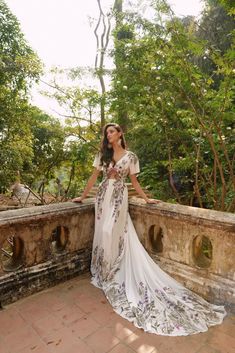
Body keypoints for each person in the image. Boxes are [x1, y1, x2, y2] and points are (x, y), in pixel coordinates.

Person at [72, 122, 226, 336]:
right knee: (103, 232)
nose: (108, 135)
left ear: (120, 134)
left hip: (118, 197)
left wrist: (146, 199)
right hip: (102, 197)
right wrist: (82, 196)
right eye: (106, 132)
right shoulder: (102, 154)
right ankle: (105, 270)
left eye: (112, 131)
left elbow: (134, 181)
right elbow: (93, 177)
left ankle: (114, 270)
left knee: (112, 232)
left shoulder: (131, 156)